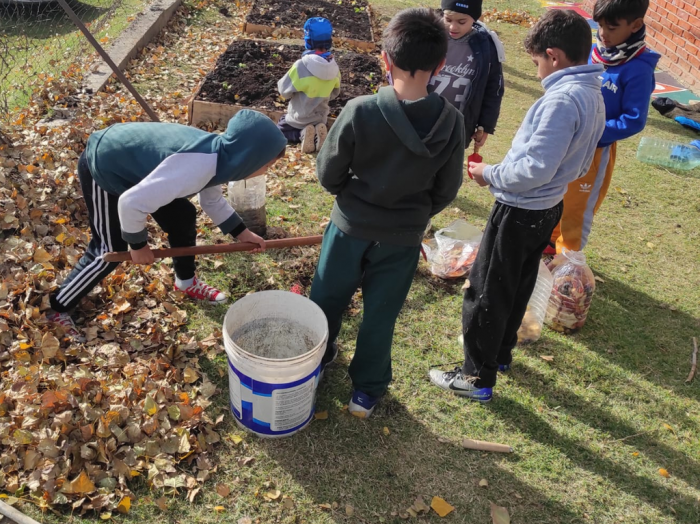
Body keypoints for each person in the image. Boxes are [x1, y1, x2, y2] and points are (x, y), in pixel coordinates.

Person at [429, 9, 605, 402]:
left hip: (521, 209)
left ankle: (476, 376)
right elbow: (576, 162)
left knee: (487, 288)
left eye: (537, 62)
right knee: (517, 283)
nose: (538, 70)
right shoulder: (592, 93)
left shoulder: (561, 100)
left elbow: (535, 168)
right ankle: (500, 353)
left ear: (554, 55)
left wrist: (490, 173)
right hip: (548, 207)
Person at [310, 7, 465, 419]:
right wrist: (411, 215)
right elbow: (446, 190)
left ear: (385, 59)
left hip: (347, 230)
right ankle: (366, 392)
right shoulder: (452, 122)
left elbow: (328, 173)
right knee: (380, 316)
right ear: (441, 65)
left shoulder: (360, 109)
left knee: (326, 298)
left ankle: (315, 363)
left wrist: (354, 201)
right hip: (402, 239)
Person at [47, 110, 287, 339]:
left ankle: (186, 282)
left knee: (182, 215)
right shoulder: (198, 165)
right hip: (105, 164)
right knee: (110, 247)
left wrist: (242, 233)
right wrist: (138, 245)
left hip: (141, 167)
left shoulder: (222, 158)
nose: (266, 171)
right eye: (267, 165)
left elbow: (212, 200)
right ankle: (59, 306)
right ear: (249, 157)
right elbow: (130, 203)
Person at [548, 0, 659, 254]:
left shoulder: (639, 69)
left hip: (596, 150)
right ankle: (549, 244)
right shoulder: (593, 52)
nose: (603, 34)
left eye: (612, 27)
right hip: (567, 140)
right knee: (555, 193)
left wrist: (592, 132)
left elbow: (633, 120)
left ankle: (567, 261)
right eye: (600, 26)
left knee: (578, 206)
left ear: (635, 25)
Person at [429, 0, 505, 150]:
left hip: (458, 125)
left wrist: (486, 124)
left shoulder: (487, 47)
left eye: (462, 22)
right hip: (424, 118)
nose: (453, 27)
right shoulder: (429, 37)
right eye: (448, 19)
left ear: (475, 19)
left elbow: (493, 89)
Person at [277, 17, 341, 154]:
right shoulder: (334, 68)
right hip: (320, 117)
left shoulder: (301, 66)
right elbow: (335, 93)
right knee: (317, 123)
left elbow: (284, 90)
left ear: (308, 41)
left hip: (299, 117)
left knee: (281, 128)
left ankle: (303, 134)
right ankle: (318, 132)